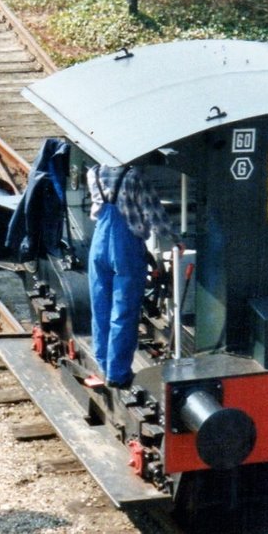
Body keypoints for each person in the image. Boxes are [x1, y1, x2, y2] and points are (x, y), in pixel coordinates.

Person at [87, 164, 176, 390]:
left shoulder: (93, 172)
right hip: (124, 245)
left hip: (98, 243)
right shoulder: (134, 175)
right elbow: (153, 213)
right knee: (124, 309)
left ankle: (103, 366)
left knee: (100, 307)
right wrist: (175, 239)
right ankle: (118, 374)